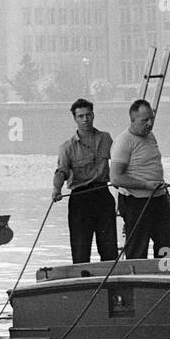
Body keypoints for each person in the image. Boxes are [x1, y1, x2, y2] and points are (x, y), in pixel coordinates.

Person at [51, 97, 116, 263]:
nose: (85, 119)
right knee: (80, 249)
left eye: (88, 115)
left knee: (109, 248)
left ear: (93, 115)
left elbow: (119, 164)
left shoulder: (106, 138)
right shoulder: (67, 147)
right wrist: (56, 189)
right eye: (81, 116)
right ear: (75, 119)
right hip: (80, 199)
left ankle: (110, 281)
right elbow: (61, 172)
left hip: (102, 194)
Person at [109, 99, 170, 258]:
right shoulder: (123, 142)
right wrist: (145, 185)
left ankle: (165, 276)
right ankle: (136, 279)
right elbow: (115, 178)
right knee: (138, 247)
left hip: (158, 199)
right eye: (145, 120)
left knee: (165, 246)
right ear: (133, 120)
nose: (150, 123)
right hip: (135, 202)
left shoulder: (151, 136)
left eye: (151, 118)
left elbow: (154, 170)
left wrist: (167, 196)